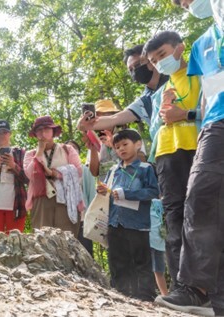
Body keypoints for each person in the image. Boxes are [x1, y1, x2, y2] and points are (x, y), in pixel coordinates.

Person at [155, 2, 224, 316]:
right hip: (216, 125)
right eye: (181, 4)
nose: (186, 5)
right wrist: (197, 121)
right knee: (200, 197)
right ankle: (198, 290)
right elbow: (210, 95)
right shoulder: (204, 44)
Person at [143, 30, 202, 291]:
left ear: (180, 48)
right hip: (166, 156)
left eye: (162, 55)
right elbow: (155, 131)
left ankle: (207, 288)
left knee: (202, 215)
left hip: (199, 149)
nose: (159, 63)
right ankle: (181, 288)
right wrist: (162, 114)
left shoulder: (203, 75)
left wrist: (185, 114)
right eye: (154, 60)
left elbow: (214, 111)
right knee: (173, 218)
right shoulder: (162, 91)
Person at [96, 129, 159, 301]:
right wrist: (103, 191)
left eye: (125, 144)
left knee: (141, 260)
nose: (121, 149)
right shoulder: (113, 170)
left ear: (138, 144)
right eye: (117, 147)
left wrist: (128, 194)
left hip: (138, 224)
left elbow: (154, 192)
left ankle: (146, 297)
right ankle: (120, 294)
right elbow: (108, 192)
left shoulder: (146, 169)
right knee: (117, 259)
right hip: (115, 223)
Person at [77, 44, 169, 132]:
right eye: (131, 70)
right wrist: (86, 124)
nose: (135, 71)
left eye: (137, 65)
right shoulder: (144, 101)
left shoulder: (175, 80)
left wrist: (183, 115)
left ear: (152, 59)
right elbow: (114, 118)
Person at [23, 116, 83, 236]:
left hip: (66, 198)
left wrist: (54, 173)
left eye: (46, 129)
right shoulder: (31, 154)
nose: (43, 133)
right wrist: (40, 151)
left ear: (53, 131)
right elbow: (30, 174)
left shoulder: (67, 149)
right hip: (41, 199)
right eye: (39, 130)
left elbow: (78, 171)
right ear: (35, 134)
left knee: (66, 240)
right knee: (42, 239)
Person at [67, 140, 95, 256]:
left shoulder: (85, 170)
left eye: (74, 148)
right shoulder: (59, 171)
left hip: (83, 217)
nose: (71, 150)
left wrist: (92, 216)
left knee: (85, 251)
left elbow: (91, 193)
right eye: (68, 148)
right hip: (65, 218)